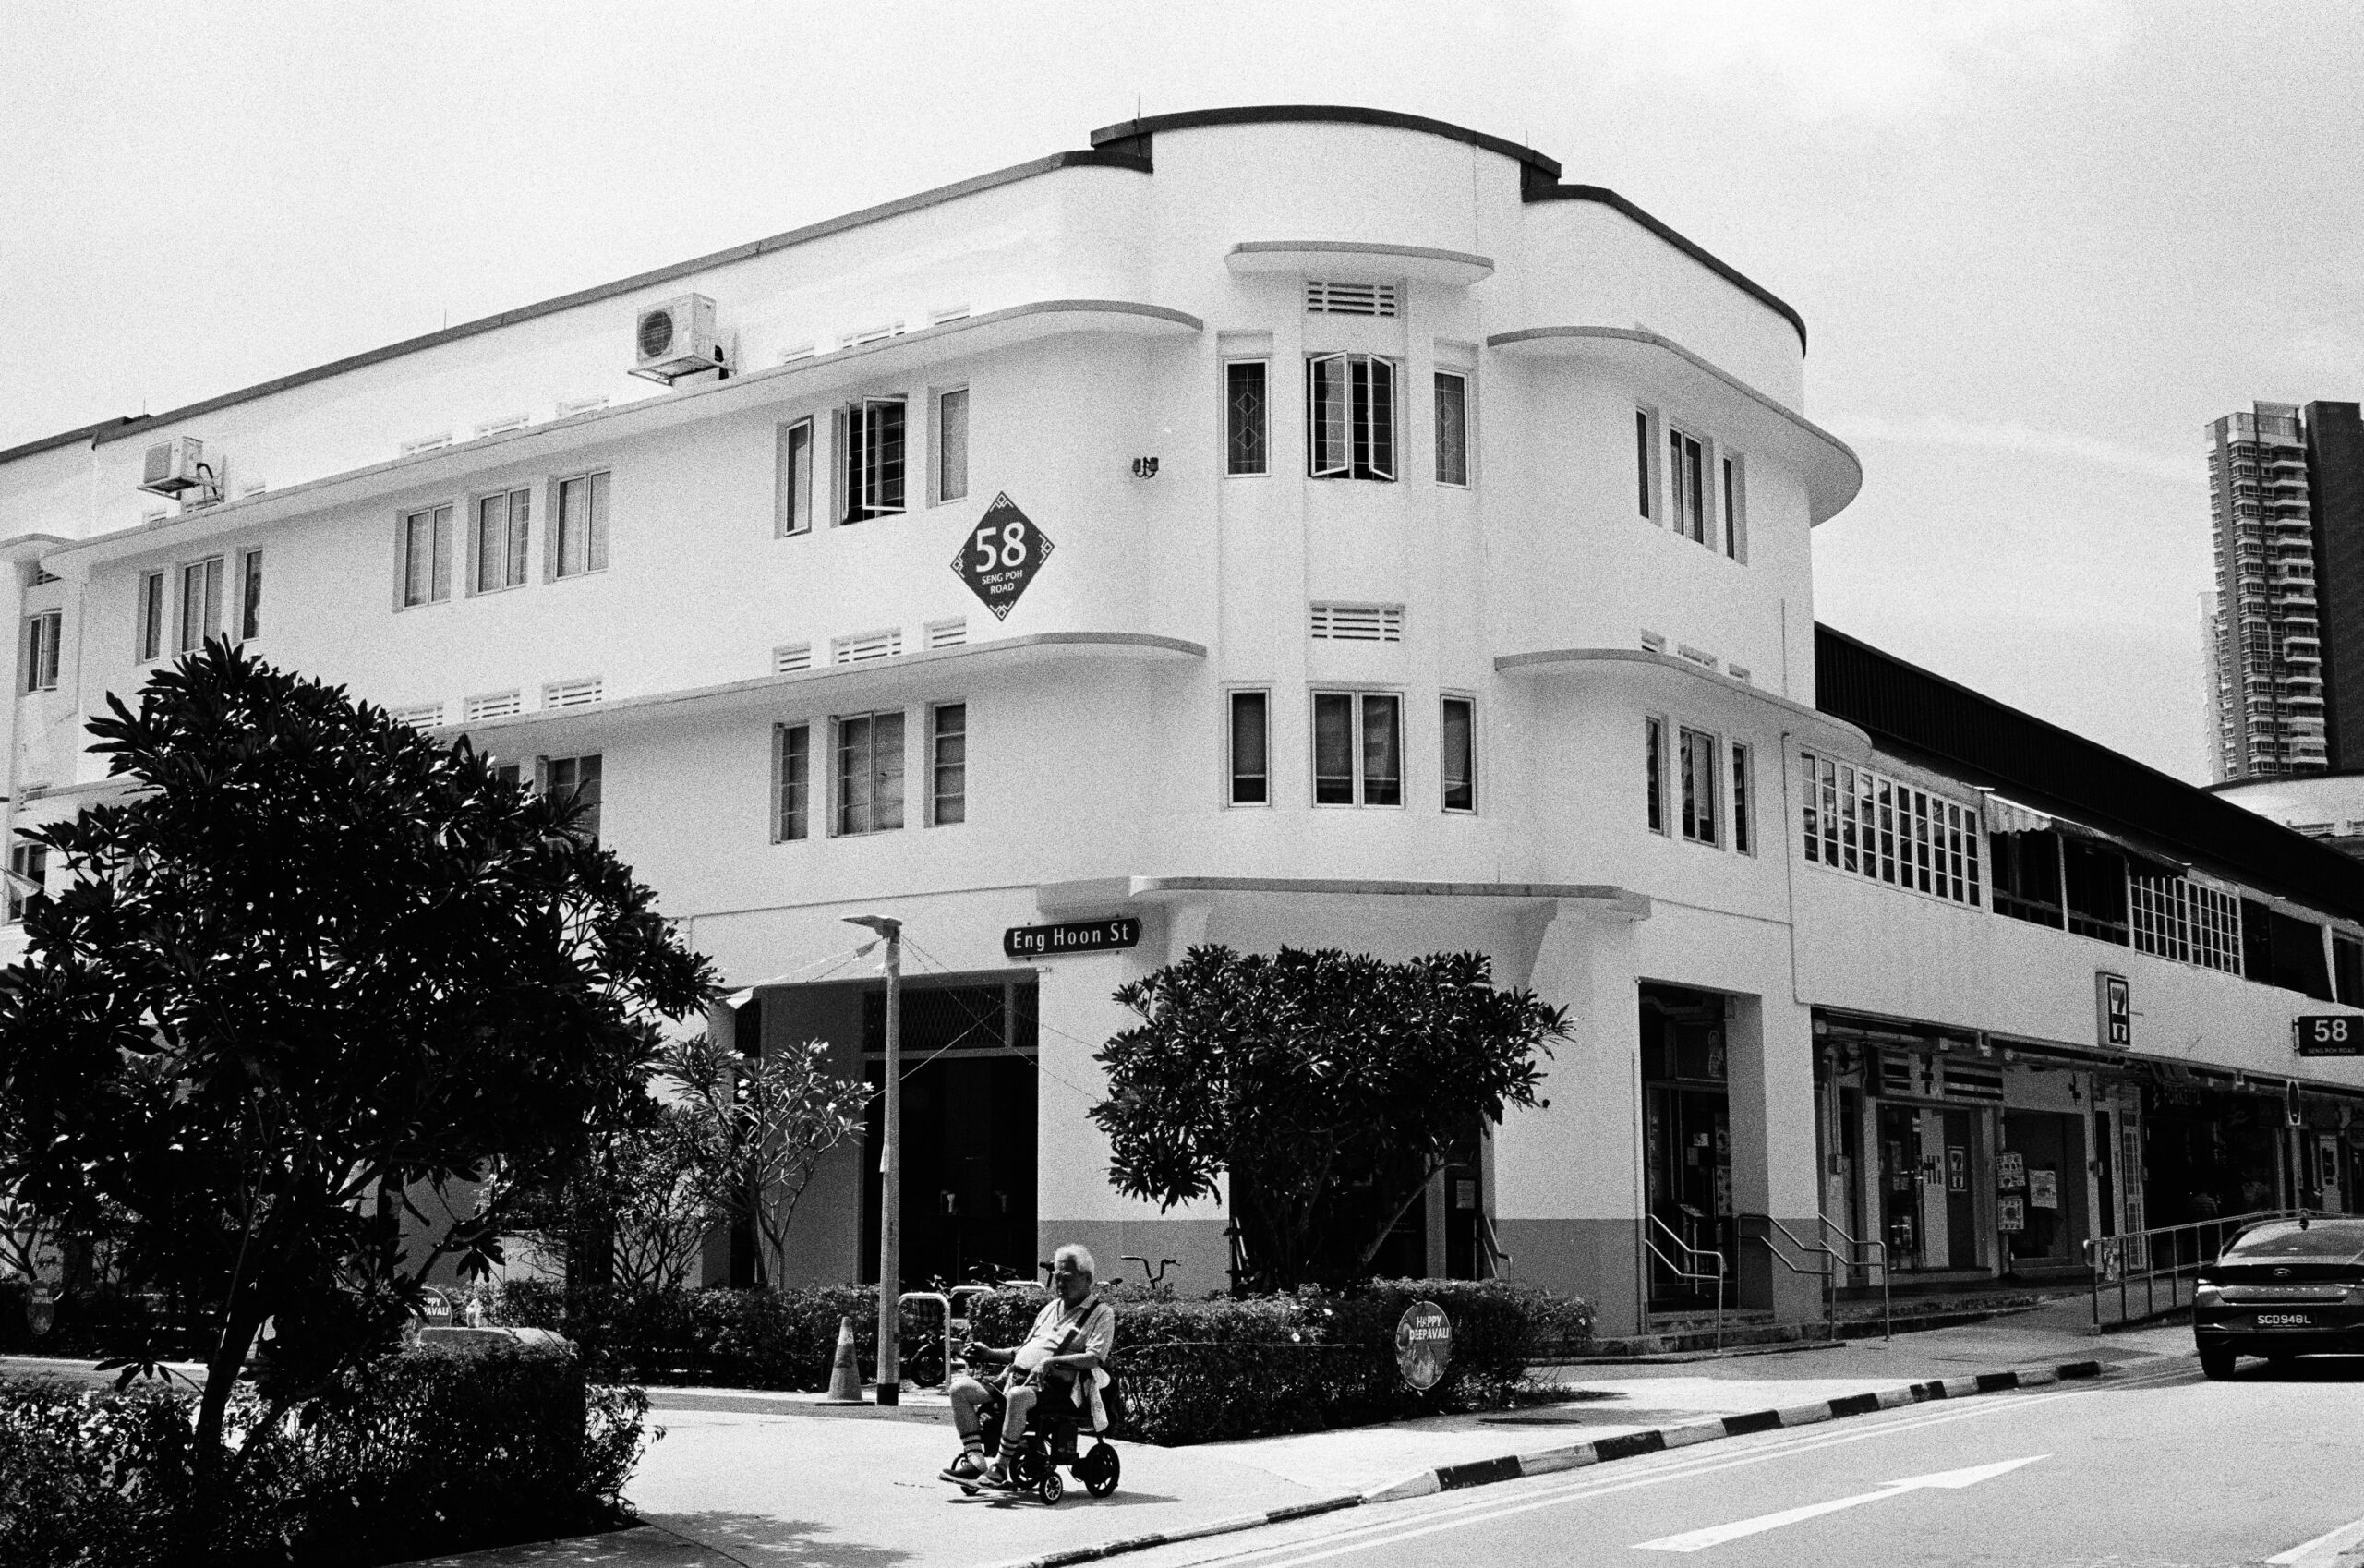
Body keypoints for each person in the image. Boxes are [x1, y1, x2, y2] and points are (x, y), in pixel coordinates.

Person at [944, 1243, 1116, 1488]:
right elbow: (1021, 1351)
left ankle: (1000, 1468)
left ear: (1086, 1278)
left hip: (1059, 1389)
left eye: (1065, 1277)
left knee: (1018, 1396)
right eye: (1056, 1277)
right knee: (959, 1389)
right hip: (1017, 1378)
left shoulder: (1101, 1313)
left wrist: (1051, 1362)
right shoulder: (1049, 1309)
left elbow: (1094, 1358)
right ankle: (976, 1461)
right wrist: (989, 1352)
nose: (1059, 1283)